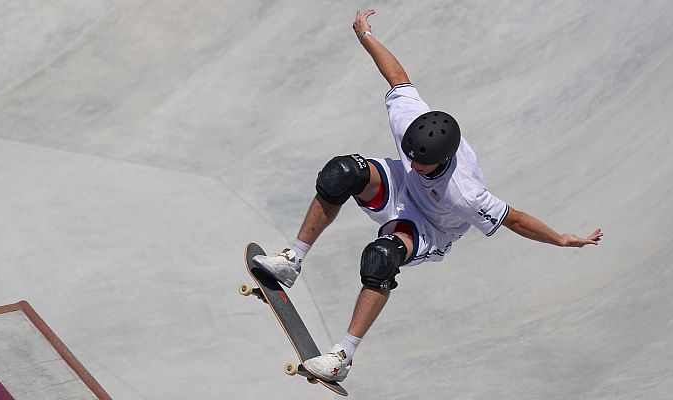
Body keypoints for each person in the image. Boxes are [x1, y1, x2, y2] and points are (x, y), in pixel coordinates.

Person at [254, 9, 603, 382]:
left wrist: (561, 239)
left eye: (421, 163)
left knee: (380, 258)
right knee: (342, 172)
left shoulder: (466, 192)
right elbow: (398, 76)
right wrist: (365, 34)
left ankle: (343, 356)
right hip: (399, 188)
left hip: (431, 227)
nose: (414, 162)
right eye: (411, 155)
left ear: (442, 162)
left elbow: (514, 219)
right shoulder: (413, 124)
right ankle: (293, 258)